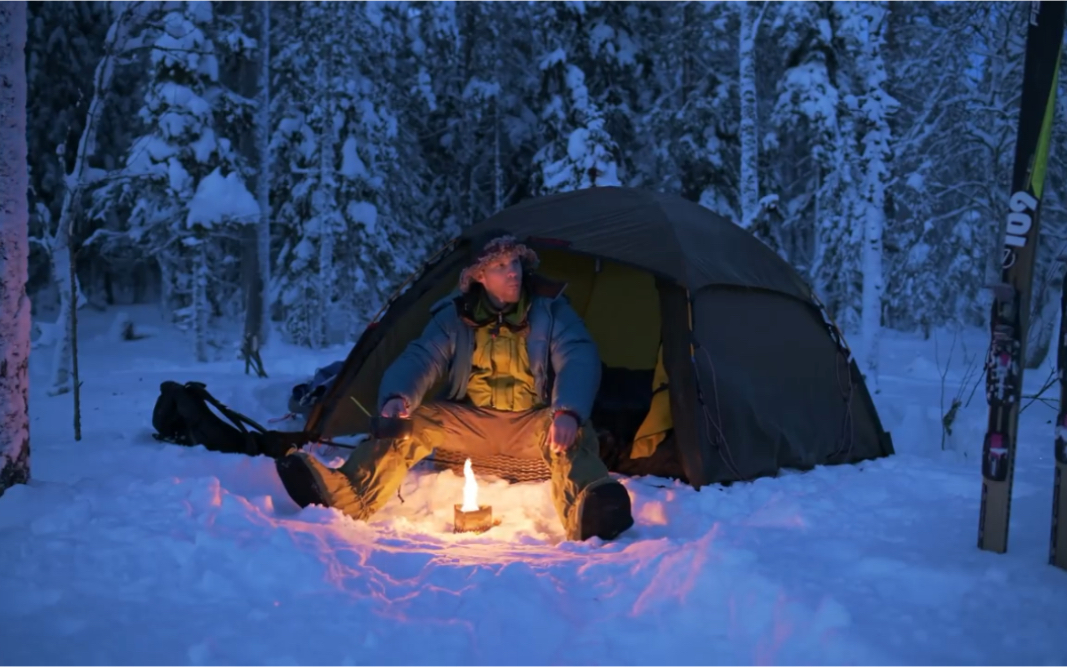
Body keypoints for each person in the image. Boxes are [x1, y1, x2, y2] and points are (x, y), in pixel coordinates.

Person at [274, 232, 634, 541]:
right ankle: (348, 494)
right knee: (412, 422)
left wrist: (567, 410)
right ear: (479, 276)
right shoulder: (454, 315)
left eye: (515, 264)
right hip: (469, 425)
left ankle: (590, 509)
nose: (513, 273)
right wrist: (398, 398)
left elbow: (578, 356)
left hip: (531, 425)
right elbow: (421, 357)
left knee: (573, 432)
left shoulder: (551, 311)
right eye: (501, 267)